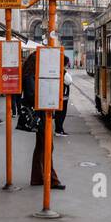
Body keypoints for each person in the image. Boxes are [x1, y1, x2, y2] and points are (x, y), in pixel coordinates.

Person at [23, 50, 63, 189]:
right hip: (39, 114)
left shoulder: (33, 75)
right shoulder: (30, 76)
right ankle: (51, 179)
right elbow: (30, 94)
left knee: (41, 146)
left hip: (41, 113)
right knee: (47, 146)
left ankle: (37, 177)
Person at [55, 66, 72, 136]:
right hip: (63, 96)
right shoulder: (63, 71)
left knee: (59, 113)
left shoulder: (58, 69)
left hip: (60, 95)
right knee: (61, 113)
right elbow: (69, 81)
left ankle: (59, 129)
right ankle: (59, 130)